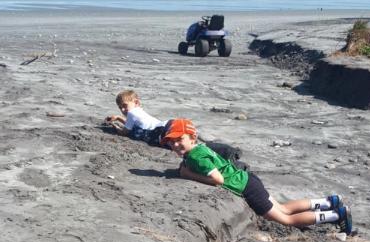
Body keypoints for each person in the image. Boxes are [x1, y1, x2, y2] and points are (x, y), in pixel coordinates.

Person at [161, 118, 353, 233]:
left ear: (192, 138)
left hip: (245, 187)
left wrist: (188, 175)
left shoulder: (195, 158)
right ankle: (330, 201)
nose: (176, 145)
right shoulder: (199, 149)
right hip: (249, 179)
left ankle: (336, 214)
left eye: (180, 140)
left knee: (286, 219)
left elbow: (217, 180)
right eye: (171, 142)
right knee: (284, 208)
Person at [103, 90, 243, 163]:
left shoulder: (132, 113)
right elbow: (134, 123)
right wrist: (119, 118)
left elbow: (126, 132)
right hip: (170, 124)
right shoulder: (137, 111)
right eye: (120, 108)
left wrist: (115, 127)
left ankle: (226, 154)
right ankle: (228, 151)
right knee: (196, 144)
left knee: (190, 151)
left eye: (124, 106)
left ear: (136, 102)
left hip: (162, 132)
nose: (123, 110)